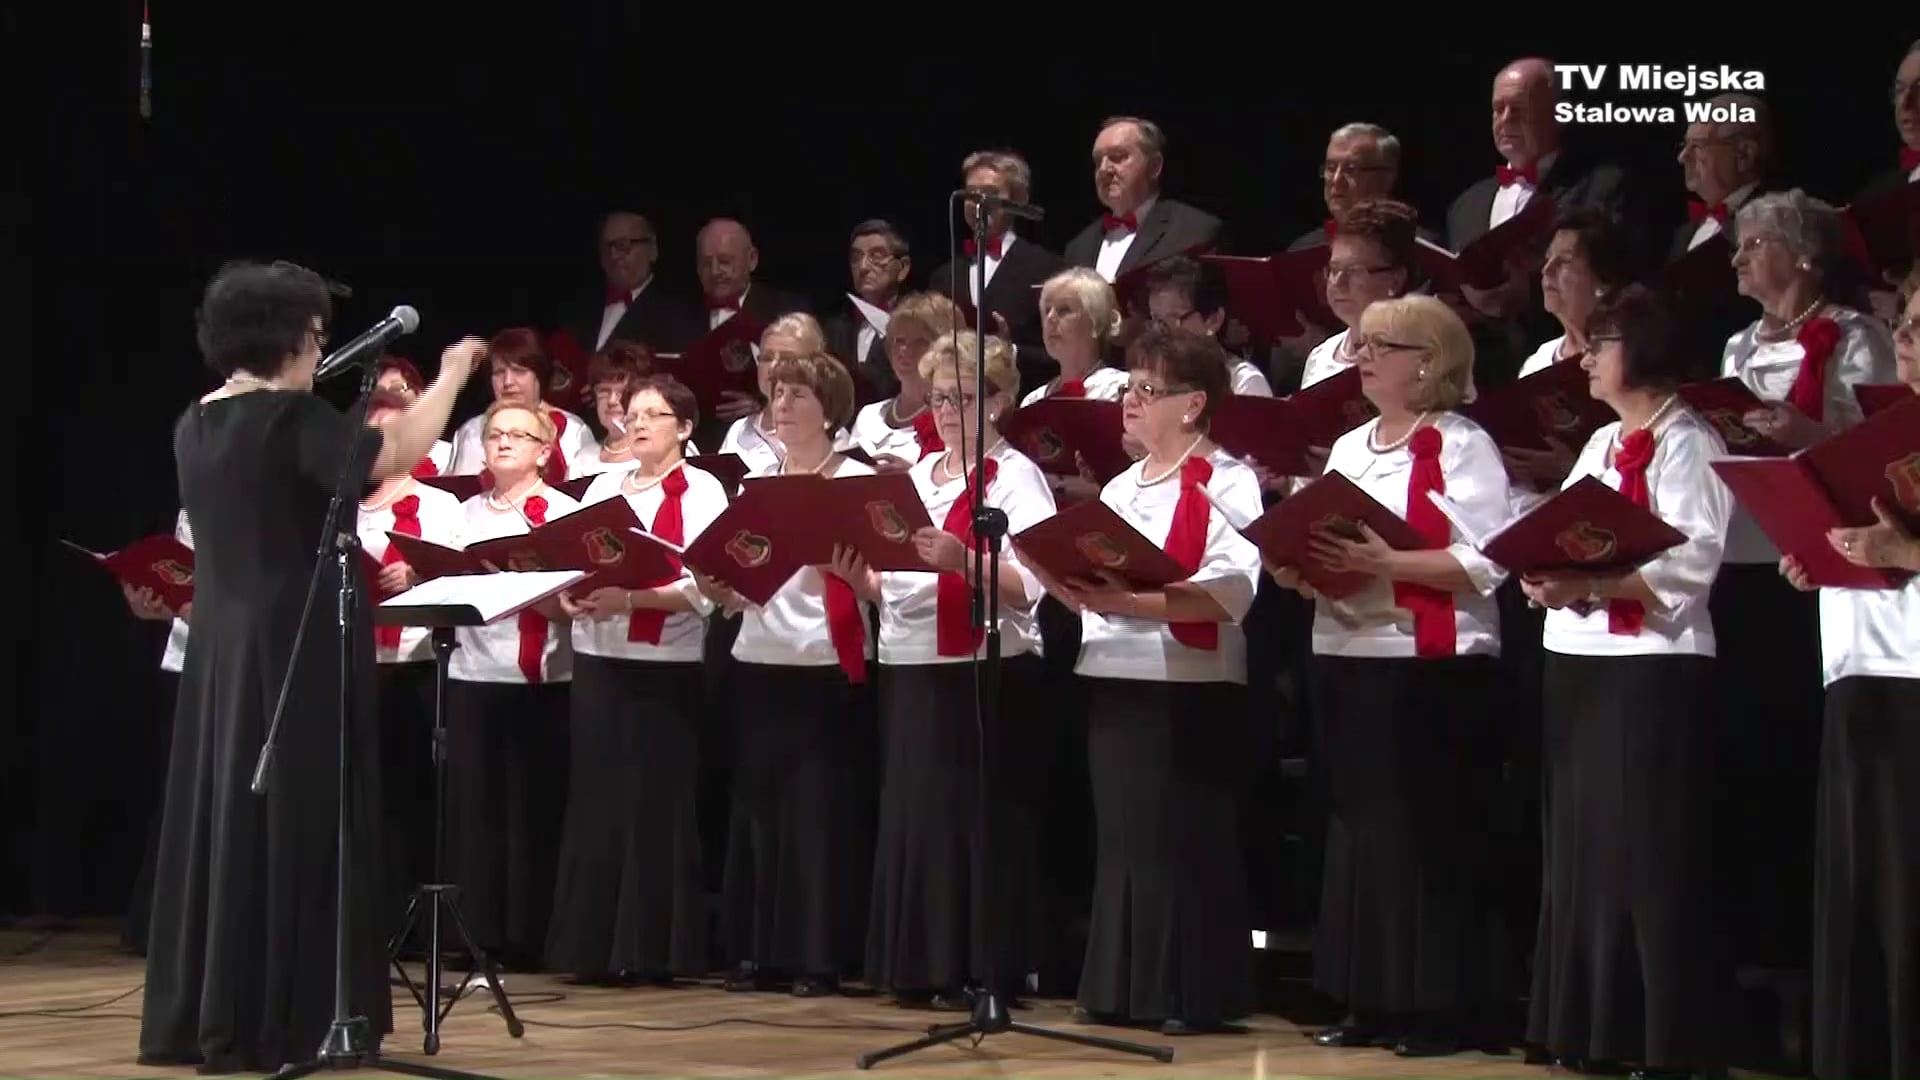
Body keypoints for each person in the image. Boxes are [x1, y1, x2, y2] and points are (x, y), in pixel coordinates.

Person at [138, 260, 480, 1073]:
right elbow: (393, 451)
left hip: (224, 646)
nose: (321, 349)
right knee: (298, 815)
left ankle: (212, 1009)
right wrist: (453, 374)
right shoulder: (290, 417)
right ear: (290, 338)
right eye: (318, 335)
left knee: (229, 818)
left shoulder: (196, 420)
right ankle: (287, 1017)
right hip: (295, 641)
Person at [1272, 295, 1513, 1058]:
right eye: (1362, 344)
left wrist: (1387, 563)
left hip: (1431, 663)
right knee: (1358, 835)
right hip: (1348, 651)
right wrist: (1299, 566)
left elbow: (1487, 561)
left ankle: (1437, 1005)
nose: (1362, 357)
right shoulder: (1350, 447)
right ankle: (1367, 998)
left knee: (1425, 835)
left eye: (1382, 346)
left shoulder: (1463, 444)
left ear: (1429, 361)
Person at [1521, 285, 1735, 1078]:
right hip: (1579, 658)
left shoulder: (1690, 442)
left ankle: (1661, 1037)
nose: (1583, 358)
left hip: (1655, 664)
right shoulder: (1602, 442)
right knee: (1584, 852)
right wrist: (1545, 573)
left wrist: (1589, 583)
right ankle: (1591, 1028)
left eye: (1600, 343)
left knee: (1648, 851)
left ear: (1640, 350)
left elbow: (1689, 564)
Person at [1029, 325, 1264, 1035]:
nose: (1129, 400)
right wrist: (1065, 581)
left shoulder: (1228, 480)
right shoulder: (1123, 485)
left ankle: (1190, 991)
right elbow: (1102, 582)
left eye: (1147, 390)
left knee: (1182, 839)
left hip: (1189, 682)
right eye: (1128, 387)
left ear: (1193, 404)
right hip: (1114, 672)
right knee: (1126, 839)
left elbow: (1230, 591)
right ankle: (1123, 986)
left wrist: (1130, 601)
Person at [862, 331, 1056, 1008]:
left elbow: (1031, 585)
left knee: (975, 819)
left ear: (997, 402)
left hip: (981, 666)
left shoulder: (1017, 478)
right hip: (912, 661)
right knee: (918, 817)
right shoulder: (918, 476)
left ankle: (982, 965)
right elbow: (894, 585)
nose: (946, 411)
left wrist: (961, 560)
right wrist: (858, 578)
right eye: (939, 398)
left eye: (963, 398)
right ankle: (924, 964)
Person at [547, 375, 729, 983]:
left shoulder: (702, 490)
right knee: (598, 800)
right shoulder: (603, 486)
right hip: (598, 657)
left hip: (664, 667)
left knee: (655, 806)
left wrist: (631, 598)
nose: (640, 422)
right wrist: (569, 595)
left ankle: (652, 949)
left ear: (685, 428)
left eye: (655, 414)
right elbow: (573, 559)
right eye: (634, 413)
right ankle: (593, 946)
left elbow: (704, 587)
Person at [1783, 277, 1920, 1080]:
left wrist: (1903, 552)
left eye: (1919, 324)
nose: (1903, 336)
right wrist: (1820, 559)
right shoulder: (1877, 434)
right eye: (1902, 320)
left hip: (1913, 677)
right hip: (1859, 669)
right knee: (1866, 889)